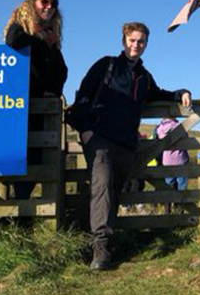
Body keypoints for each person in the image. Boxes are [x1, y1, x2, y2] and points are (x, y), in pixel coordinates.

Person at [68, 22, 191, 271]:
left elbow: (158, 93)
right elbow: (82, 96)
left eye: (141, 41)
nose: (136, 45)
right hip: (99, 138)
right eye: (132, 40)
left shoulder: (143, 77)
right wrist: (87, 131)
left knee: (114, 189)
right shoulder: (107, 65)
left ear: (146, 44)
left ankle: (106, 241)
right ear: (124, 41)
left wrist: (180, 93)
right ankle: (100, 247)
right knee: (102, 184)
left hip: (125, 143)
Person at [3, 0, 68, 200]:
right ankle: (16, 211)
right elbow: (13, 41)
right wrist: (41, 42)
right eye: (44, 1)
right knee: (20, 156)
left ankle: (21, 210)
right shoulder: (21, 25)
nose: (48, 7)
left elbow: (61, 70)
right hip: (20, 105)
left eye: (53, 3)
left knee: (39, 157)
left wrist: (54, 91)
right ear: (33, 3)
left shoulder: (52, 36)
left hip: (43, 108)